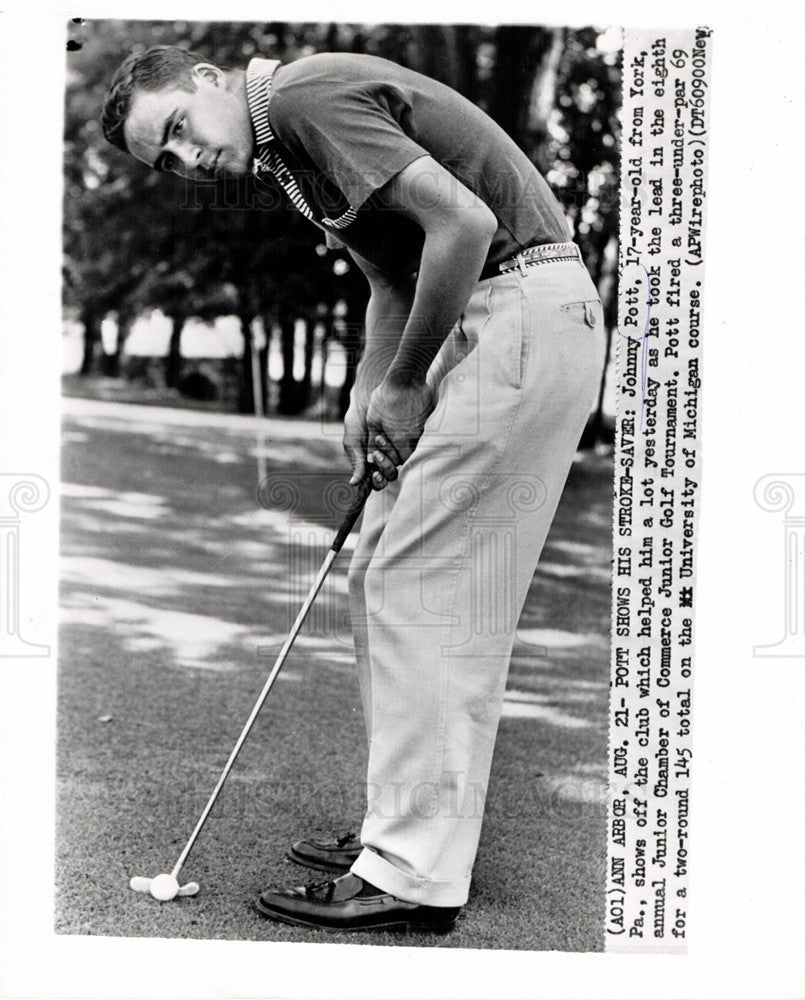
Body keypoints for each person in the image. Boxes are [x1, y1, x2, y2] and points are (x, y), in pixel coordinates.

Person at [102, 44, 604, 933]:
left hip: (519, 311)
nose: (186, 160)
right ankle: (402, 832)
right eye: (165, 161)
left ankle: (413, 871)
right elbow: (390, 274)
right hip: (480, 319)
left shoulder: (302, 100)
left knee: (424, 586)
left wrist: (407, 382)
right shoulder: (283, 149)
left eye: (178, 128)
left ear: (212, 81)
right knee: (378, 567)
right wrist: (370, 393)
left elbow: (464, 226)